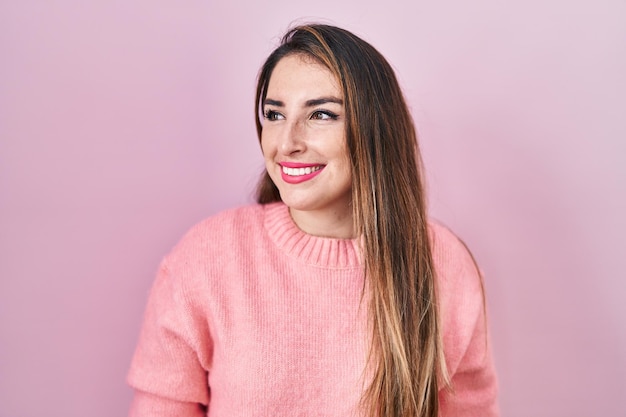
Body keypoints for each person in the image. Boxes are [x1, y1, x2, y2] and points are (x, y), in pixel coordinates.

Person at [127, 23, 499, 417]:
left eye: (321, 114)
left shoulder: (445, 266)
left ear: (376, 129)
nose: (287, 143)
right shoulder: (206, 258)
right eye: (274, 114)